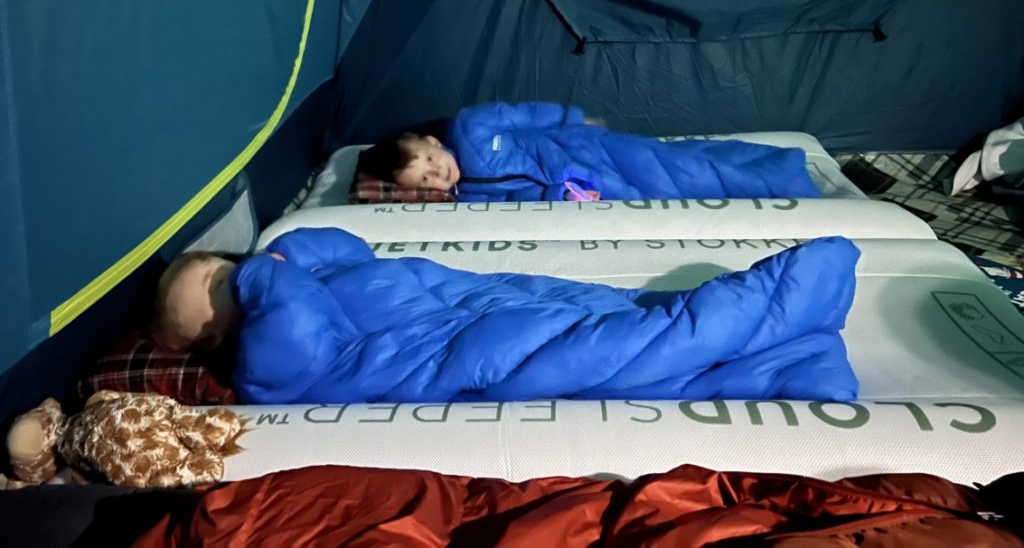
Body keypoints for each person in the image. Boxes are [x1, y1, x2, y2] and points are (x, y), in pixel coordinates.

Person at [152, 227, 860, 405]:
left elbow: (350, 248)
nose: (231, 299)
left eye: (218, 277)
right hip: (463, 346)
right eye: (212, 319)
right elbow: (302, 345)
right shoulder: (267, 365)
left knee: (611, 310)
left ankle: (782, 325)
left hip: (489, 300)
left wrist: (275, 258)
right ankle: (793, 334)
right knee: (616, 350)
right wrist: (257, 276)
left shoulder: (301, 267)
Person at [356, 101, 821, 201]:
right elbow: (521, 202)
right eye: (426, 180)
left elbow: (527, 114)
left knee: (678, 163)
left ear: (433, 142)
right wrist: (562, 199)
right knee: (665, 186)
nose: (440, 175)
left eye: (432, 161)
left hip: (580, 148)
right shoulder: (470, 200)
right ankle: (779, 171)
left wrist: (573, 119)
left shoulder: (472, 126)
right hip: (584, 183)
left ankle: (784, 173)